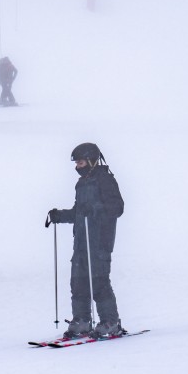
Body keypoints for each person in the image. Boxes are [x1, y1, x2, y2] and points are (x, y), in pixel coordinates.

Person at [46, 142, 125, 339]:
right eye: (77, 163)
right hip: (81, 241)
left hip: (99, 241)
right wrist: (59, 215)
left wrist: (96, 209)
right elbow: (79, 212)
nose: (77, 167)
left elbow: (117, 207)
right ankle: (81, 320)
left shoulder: (105, 180)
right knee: (78, 282)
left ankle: (110, 321)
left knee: (98, 280)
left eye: (80, 162)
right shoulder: (82, 184)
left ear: (90, 160)